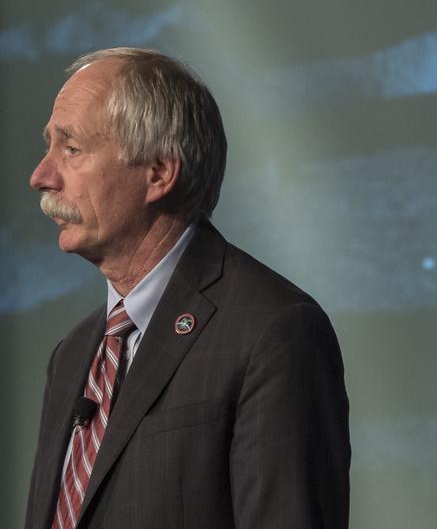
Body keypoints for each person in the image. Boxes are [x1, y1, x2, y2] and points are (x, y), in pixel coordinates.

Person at [25, 47, 350, 528]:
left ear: (158, 172)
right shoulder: (73, 355)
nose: (41, 176)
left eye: (71, 149)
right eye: (50, 146)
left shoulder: (272, 332)